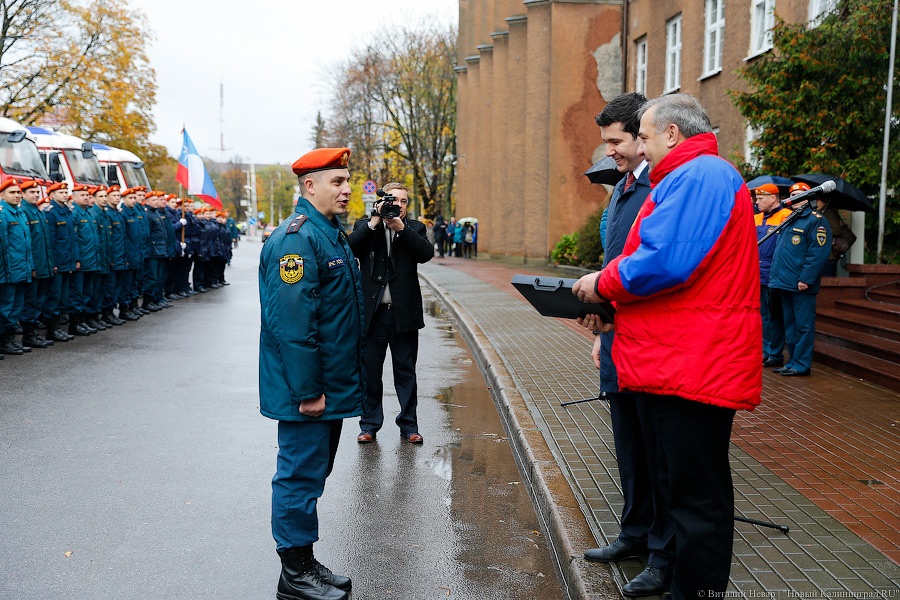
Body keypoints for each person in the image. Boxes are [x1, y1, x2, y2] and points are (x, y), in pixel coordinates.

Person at [573, 94, 762, 599]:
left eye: (645, 137)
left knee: (697, 500)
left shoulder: (701, 175)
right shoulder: (688, 176)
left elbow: (665, 261)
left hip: (695, 363)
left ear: (672, 133)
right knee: (680, 491)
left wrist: (601, 284)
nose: (641, 148)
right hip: (680, 361)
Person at [258, 147, 364, 600]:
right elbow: (294, 324)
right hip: (307, 389)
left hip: (327, 384)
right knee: (298, 476)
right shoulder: (297, 239)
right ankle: (294, 573)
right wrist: (308, 391)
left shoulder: (328, 233)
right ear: (309, 185)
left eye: (347, 180)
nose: (347, 189)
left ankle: (304, 560)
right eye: (337, 181)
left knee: (313, 474)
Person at [579, 92, 673, 598]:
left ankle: (662, 554)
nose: (609, 150)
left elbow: (654, 267)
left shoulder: (661, 186)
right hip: (618, 334)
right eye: (606, 141)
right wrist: (600, 315)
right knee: (629, 444)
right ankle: (634, 534)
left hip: (649, 338)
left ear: (642, 137)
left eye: (616, 141)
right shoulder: (624, 187)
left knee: (657, 451)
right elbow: (614, 256)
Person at [348, 182, 434, 445]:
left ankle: (409, 426)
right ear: (381, 201)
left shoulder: (415, 228)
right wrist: (373, 223)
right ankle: (369, 425)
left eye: (403, 201)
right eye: (393, 199)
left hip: (403, 314)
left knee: (405, 372)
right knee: (370, 373)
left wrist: (401, 229)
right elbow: (350, 249)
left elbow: (426, 254)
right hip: (373, 316)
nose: (398, 205)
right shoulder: (366, 226)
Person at [768, 185, 832, 377]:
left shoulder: (816, 220)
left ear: (808, 197)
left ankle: (802, 364)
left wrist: (806, 279)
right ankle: (793, 362)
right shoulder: (790, 218)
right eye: (792, 195)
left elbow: (818, 254)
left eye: (798, 195)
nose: (794, 198)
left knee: (803, 326)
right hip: (784, 282)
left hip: (801, 284)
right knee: (790, 325)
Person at [753, 183, 793, 368]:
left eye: (761, 198)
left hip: (774, 274)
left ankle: (774, 353)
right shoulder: (756, 217)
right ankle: (765, 351)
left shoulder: (786, 215)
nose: (757, 202)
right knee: (762, 315)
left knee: (774, 315)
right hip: (758, 274)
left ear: (773, 198)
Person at [19, 180, 57, 348]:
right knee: (30, 302)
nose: (35, 195)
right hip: (34, 266)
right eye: (32, 192)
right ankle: (28, 335)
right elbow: (26, 244)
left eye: (37, 192)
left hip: (43, 265)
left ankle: (33, 333)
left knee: (38, 301)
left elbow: (46, 242)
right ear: (23, 194)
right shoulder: (24, 212)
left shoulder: (38, 212)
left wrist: (50, 263)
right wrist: (32, 267)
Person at [0, 179, 33, 355]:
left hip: (20, 269)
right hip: (8, 270)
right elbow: (4, 246)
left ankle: (10, 340)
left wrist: (29, 267)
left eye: (18, 192)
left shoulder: (20, 213)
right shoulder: (3, 214)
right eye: (12, 192)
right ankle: (3, 341)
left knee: (16, 307)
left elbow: (26, 245)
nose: (17, 195)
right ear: (2, 195)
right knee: (5, 308)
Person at [43, 182, 77, 341]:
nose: (64, 195)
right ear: (52, 195)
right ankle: (52, 330)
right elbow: (50, 241)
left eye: (65, 192)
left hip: (67, 261)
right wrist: (53, 263)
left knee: (63, 297)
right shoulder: (50, 213)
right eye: (61, 192)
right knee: (54, 297)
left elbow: (71, 239)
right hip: (57, 262)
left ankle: (57, 328)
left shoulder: (67, 212)